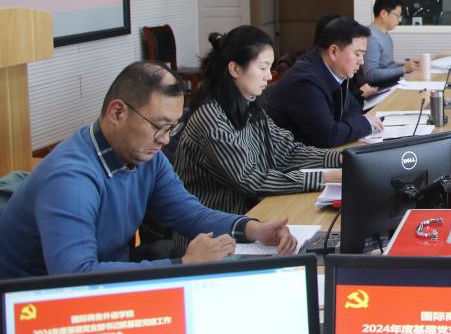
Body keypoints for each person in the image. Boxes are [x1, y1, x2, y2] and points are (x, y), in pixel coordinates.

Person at [0, 62, 296, 278]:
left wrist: (253, 229)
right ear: (118, 112)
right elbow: (75, 276)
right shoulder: (71, 179)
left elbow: (189, 213)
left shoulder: (145, 155)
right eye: (160, 126)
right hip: (35, 313)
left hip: (107, 285)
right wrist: (184, 264)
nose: (165, 140)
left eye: (172, 128)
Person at [174, 26, 343, 222]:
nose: (269, 76)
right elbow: (250, 179)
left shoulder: (249, 105)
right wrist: (325, 178)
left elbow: (285, 152)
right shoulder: (211, 118)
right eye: (262, 68)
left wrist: (339, 158)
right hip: (213, 229)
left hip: (249, 216)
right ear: (235, 69)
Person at [264, 16, 382, 147]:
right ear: (333, 52)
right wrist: (365, 123)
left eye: (363, 54)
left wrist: (344, 126)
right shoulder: (304, 82)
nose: (362, 61)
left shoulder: (335, 70)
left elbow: (353, 108)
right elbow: (328, 137)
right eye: (357, 54)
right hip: (291, 156)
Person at [361, 0, 419, 86]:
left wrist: (408, 65)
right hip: (379, 89)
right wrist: (404, 69)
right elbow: (370, 75)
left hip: (391, 85)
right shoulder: (371, 37)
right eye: (397, 15)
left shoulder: (385, 35)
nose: (399, 20)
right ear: (383, 14)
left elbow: (388, 66)